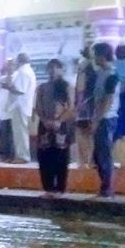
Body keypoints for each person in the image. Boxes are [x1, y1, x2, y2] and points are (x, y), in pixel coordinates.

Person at [32, 58, 73, 194]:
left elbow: (71, 107)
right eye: (50, 67)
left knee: (60, 156)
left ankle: (60, 188)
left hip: (61, 126)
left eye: (56, 67)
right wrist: (44, 120)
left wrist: (59, 121)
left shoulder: (66, 86)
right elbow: (38, 106)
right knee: (44, 156)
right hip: (45, 125)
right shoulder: (42, 87)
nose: (53, 70)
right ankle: (48, 187)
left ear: (62, 70)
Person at [90, 42, 121, 197]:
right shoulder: (101, 73)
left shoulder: (111, 75)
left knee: (104, 154)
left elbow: (107, 100)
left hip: (106, 118)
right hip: (100, 117)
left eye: (95, 55)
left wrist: (97, 120)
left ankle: (107, 189)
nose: (94, 59)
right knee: (98, 155)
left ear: (102, 56)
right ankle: (104, 187)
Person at [9, 53, 36, 163]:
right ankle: (21, 155)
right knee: (20, 131)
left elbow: (20, 90)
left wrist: (9, 87)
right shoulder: (29, 71)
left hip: (19, 105)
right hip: (23, 105)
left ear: (19, 60)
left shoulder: (23, 72)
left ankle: (23, 156)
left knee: (20, 132)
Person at [73, 46, 97, 168]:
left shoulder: (84, 66)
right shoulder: (93, 66)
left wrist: (78, 102)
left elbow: (80, 86)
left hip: (85, 103)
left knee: (83, 133)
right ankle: (89, 160)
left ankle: (83, 161)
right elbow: (81, 86)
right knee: (89, 133)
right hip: (90, 103)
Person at [0, 58, 16, 162]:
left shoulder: (17, 77)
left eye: (11, 64)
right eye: (8, 65)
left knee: (12, 135)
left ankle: (12, 156)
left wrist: (10, 76)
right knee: (4, 133)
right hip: (3, 111)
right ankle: (4, 155)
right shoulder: (1, 79)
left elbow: (11, 87)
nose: (9, 67)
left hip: (13, 110)